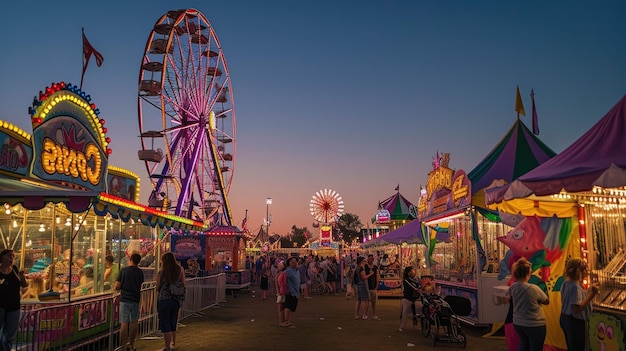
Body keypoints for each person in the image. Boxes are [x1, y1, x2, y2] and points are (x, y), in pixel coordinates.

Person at [509, 257, 549, 351]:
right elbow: (546, 301)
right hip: (534, 323)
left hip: (518, 322)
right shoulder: (533, 288)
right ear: (528, 273)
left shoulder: (513, 287)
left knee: (523, 345)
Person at [560, 258, 599, 351]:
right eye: (585, 269)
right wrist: (592, 295)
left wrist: (588, 291)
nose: (587, 272)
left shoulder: (566, 283)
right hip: (574, 322)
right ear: (578, 271)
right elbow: (576, 308)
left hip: (564, 317)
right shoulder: (575, 287)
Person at [157, 252, 186, 351]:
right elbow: (183, 283)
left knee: (165, 323)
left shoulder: (162, 272)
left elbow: (157, 287)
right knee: (173, 321)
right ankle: (172, 342)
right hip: (176, 299)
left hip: (164, 299)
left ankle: (166, 346)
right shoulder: (179, 270)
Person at [115, 253, 144, 351]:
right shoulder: (140, 272)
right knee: (134, 322)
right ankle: (131, 344)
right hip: (135, 299)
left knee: (124, 323)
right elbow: (140, 283)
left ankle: (124, 346)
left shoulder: (123, 270)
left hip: (125, 299)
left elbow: (117, 286)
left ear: (130, 259)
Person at [0, 249, 28, 351]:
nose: (11, 258)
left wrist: (22, 278)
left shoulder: (15, 270)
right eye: (9, 256)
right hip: (0, 306)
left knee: (8, 336)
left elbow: (24, 285)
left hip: (14, 307)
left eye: (12, 256)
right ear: (2, 257)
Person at [399, 266, 421, 332]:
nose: (414, 272)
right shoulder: (406, 280)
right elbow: (415, 288)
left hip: (414, 299)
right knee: (404, 314)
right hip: (407, 299)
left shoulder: (414, 280)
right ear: (409, 273)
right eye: (413, 271)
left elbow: (417, 287)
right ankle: (402, 327)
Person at [283, 256, 300, 328]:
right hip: (290, 292)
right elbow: (281, 278)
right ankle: (287, 322)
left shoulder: (295, 271)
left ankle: (288, 321)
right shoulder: (288, 271)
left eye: (295, 262)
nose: (294, 263)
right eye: (292, 262)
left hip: (295, 292)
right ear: (289, 263)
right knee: (288, 307)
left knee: (291, 308)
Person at [365, 254, 381, 320]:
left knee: (373, 303)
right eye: (370, 258)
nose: (371, 260)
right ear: (367, 259)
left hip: (373, 287)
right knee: (366, 302)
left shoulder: (375, 267)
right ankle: (365, 314)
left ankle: (374, 314)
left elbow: (377, 277)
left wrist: (376, 286)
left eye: (372, 258)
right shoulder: (365, 267)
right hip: (367, 287)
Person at [275, 260, 288, 326]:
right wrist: (278, 292)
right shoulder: (279, 274)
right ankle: (281, 322)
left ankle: (283, 321)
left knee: (283, 308)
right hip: (281, 292)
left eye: (279, 266)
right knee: (281, 308)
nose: (278, 267)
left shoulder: (283, 274)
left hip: (283, 292)